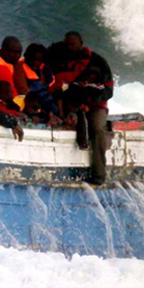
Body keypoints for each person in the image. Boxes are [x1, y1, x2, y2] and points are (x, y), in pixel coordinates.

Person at [49, 31, 113, 185]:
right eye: (67, 44)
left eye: (72, 44)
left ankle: (99, 174)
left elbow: (108, 90)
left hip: (95, 104)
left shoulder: (98, 62)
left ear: (81, 44)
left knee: (97, 128)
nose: (69, 47)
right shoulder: (61, 60)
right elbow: (58, 87)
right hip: (71, 103)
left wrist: (89, 100)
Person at [13, 43, 59, 126]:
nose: (36, 63)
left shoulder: (42, 71)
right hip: (25, 103)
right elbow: (24, 90)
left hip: (41, 103)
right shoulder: (19, 67)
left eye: (39, 61)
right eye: (34, 59)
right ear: (27, 57)